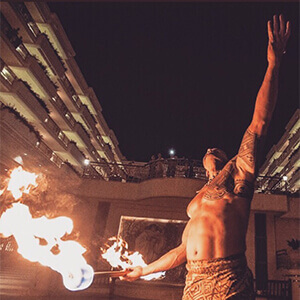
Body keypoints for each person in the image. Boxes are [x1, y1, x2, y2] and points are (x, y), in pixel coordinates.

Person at [120, 15, 291, 299]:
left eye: (217, 151)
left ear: (225, 159)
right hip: (194, 286)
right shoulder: (199, 198)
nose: (211, 151)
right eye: (208, 151)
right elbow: (181, 252)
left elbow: (259, 124)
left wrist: (274, 64)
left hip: (229, 284)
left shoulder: (238, 174)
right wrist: (143, 271)